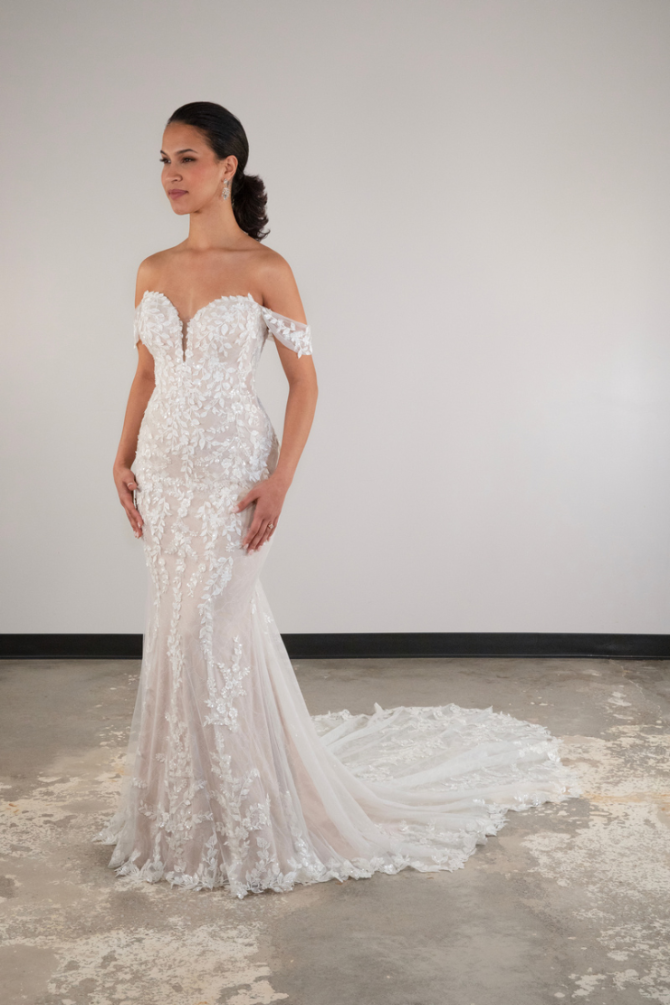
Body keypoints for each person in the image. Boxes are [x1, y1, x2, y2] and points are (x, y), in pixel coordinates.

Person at [93, 101, 575, 899]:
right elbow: (145, 372)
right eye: (164, 161)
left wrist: (281, 479)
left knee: (212, 632)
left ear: (227, 168)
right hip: (166, 475)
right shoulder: (151, 268)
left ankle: (252, 821)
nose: (171, 176)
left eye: (187, 159)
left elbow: (305, 383)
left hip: (235, 475)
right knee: (178, 638)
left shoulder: (265, 268)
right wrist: (119, 455)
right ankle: (183, 821)